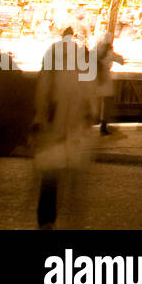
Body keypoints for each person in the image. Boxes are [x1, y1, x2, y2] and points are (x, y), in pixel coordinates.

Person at [33, 28, 94, 228]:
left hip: (58, 121)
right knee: (60, 169)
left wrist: (40, 115)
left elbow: (43, 87)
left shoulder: (54, 54)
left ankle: (48, 218)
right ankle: (56, 216)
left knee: (53, 171)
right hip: (65, 123)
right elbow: (85, 92)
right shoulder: (77, 58)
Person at [93, 31, 125, 135]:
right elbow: (121, 61)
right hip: (105, 79)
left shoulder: (95, 50)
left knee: (93, 101)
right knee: (106, 103)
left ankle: (88, 121)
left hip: (94, 78)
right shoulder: (110, 53)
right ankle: (103, 125)